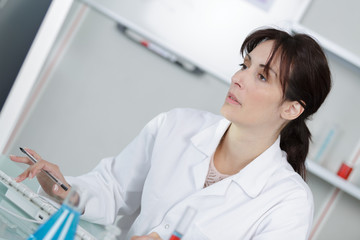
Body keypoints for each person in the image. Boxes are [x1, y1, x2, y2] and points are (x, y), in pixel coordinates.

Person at [10, 27, 331, 240]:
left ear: (291, 109)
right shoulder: (176, 126)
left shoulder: (287, 202)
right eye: (245, 65)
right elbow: (115, 187)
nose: (238, 78)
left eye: (262, 76)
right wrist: (67, 192)